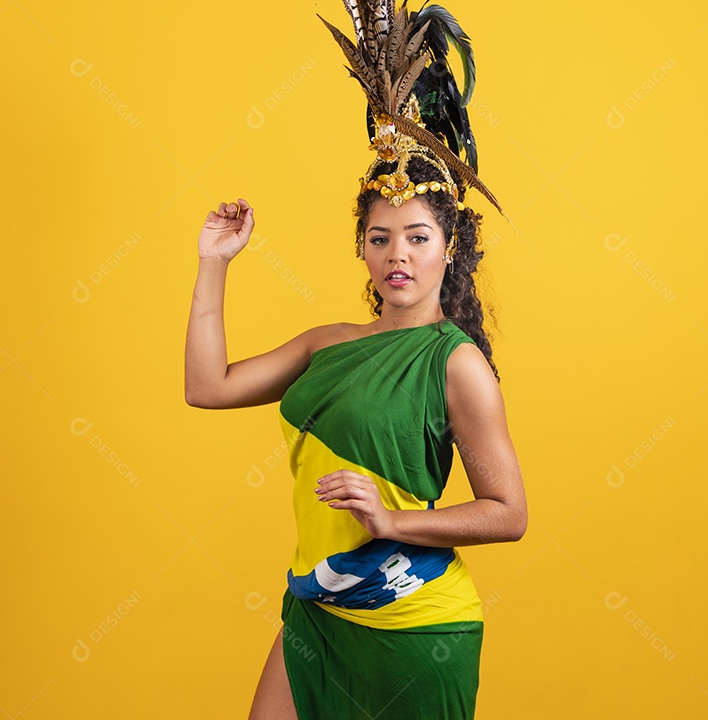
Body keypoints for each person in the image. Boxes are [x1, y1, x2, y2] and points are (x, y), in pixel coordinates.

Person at [185, 3, 526, 718]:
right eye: (379, 238)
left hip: (414, 619)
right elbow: (207, 388)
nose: (397, 255)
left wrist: (392, 522)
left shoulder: (456, 363)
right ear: (363, 249)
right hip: (317, 603)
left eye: (416, 237)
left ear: (450, 245)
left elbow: (508, 513)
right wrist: (214, 264)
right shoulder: (326, 342)